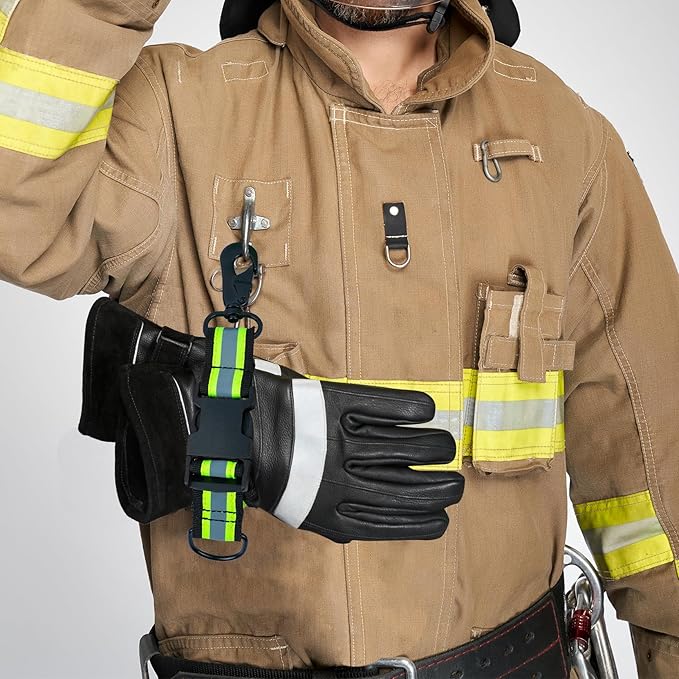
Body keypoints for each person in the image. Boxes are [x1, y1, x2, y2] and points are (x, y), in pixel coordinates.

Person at [0, 0, 677, 677]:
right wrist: (229, 431)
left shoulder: (562, 136)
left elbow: (650, 468)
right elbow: (17, 212)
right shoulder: (178, 112)